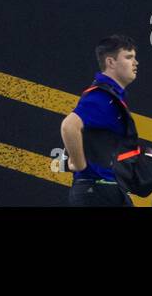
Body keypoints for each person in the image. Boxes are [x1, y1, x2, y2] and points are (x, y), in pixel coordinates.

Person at [60, 34, 141, 207]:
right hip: (97, 192)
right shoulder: (102, 97)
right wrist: (79, 163)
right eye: (128, 57)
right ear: (111, 62)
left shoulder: (111, 96)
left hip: (107, 191)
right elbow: (69, 126)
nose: (135, 63)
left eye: (134, 57)